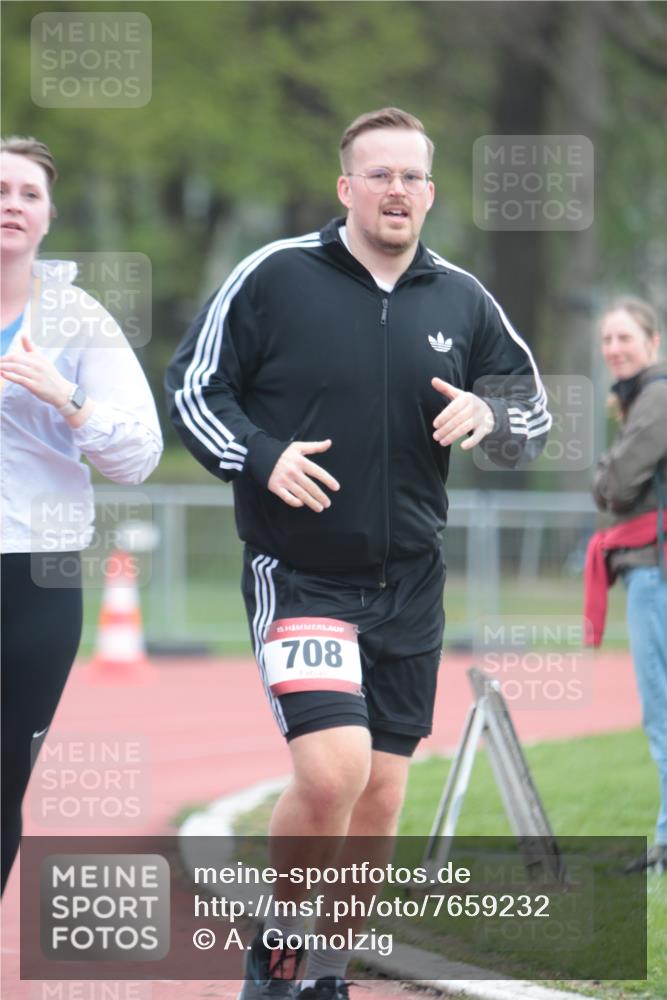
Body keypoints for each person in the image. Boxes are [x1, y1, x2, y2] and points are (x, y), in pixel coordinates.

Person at [166, 107, 551, 998]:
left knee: (380, 796)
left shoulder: (462, 298)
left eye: (412, 176)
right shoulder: (274, 277)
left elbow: (532, 414)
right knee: (332, 769)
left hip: (411, 584)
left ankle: (328, 972)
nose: (396, 191)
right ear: (346, 187)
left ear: (430, 191)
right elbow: (193, 385)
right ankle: (278, 955)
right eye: (378, 174)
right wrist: (261, 458)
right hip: (300, 573)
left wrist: (491, 416)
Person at [0, 137, 163, 892]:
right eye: (1, 189)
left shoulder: (74, 317)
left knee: (3, 776)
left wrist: (63, 398)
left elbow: (138, 454)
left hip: (35, 572)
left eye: (28, 193)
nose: (12, 203)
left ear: (48, 215)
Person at [588, 297, 667, 874]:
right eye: (607, 340)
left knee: (661, 709)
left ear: (653, 342)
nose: (615, 348)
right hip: (650, 569)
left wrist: (602, 473)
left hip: (656, 571)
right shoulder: (642, 396)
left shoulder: (658, 395)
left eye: (625, 338)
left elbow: (615, 482)